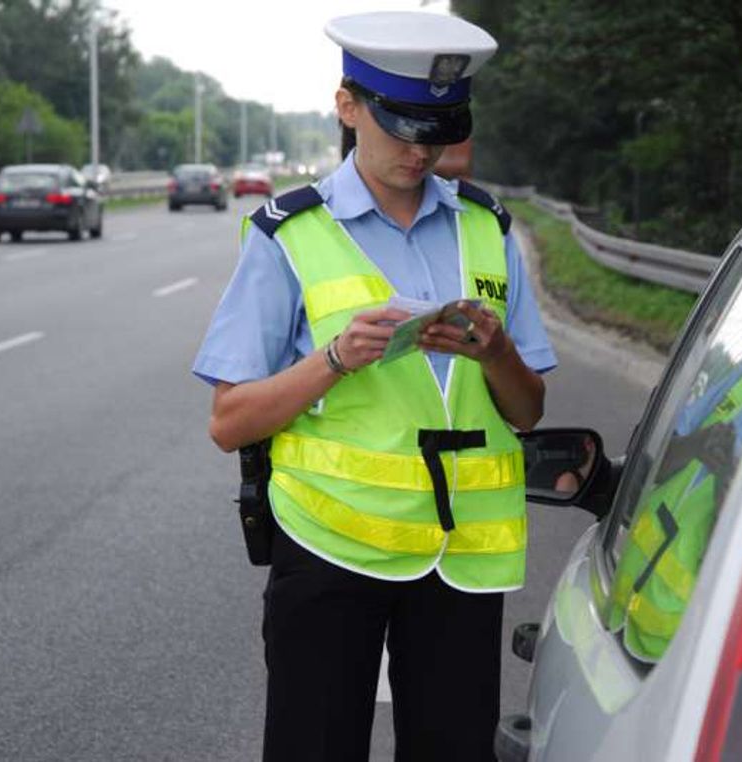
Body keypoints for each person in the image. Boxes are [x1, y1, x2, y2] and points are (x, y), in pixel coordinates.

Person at [192, 11, 557, 761]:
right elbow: (229, 420)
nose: (421, 152)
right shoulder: (287, 237)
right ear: (348, 106)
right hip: (330, 549)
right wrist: (334, 357)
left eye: (437, 131)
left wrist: (496, 354)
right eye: (401, 129)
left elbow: (528, 410)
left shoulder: (489, 230)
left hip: (462, 559)